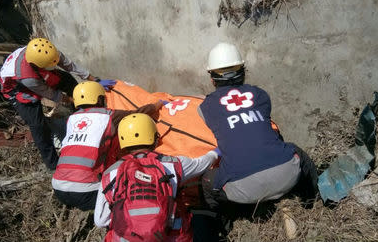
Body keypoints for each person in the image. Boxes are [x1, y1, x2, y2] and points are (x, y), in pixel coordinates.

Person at [198, 42, 318, 231]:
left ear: (212, 79)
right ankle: (312, 202)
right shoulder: (261, 95)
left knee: (207, 182)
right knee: (298, 153)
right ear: (244, 71)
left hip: (242, 191)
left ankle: (228, 223)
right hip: (287, 176)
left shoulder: (205, 107)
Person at [94, 113, 219, 242]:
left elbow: (100, 221)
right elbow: (202, 164)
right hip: (167, 236)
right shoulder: (172, 164)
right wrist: (216, 153)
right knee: (201, 220)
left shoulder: (110, 173)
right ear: (155, 137)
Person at [0, 37, 116, 170]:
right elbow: (53, 95)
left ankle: (84, 115)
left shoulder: (46, 51)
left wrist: (93, 79)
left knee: (69, 81)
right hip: (17, 90)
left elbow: (69, 64)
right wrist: (77, 100)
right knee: (38, 125)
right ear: (37, 65)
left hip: (37, 72)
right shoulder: (28, 78)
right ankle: (53, 165)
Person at [52, 81, 164, 211]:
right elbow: (137, 114)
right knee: (129, 200)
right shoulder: (108, 116)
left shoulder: (72, 118)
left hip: (58, 186)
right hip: (86, 190)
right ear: (99, 99)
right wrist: (157, 105)